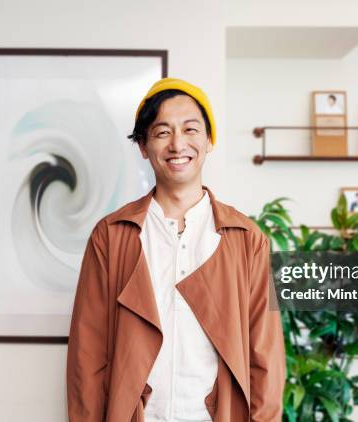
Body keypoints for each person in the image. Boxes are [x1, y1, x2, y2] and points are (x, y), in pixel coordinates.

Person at [66, 77, 286, 422]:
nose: (178, 144)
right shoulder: (110, 236)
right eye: (162, 132)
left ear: (210, 140)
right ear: (143, 145)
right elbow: (87, 354)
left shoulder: (247, 239)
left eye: (190, 129)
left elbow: (266, 356)